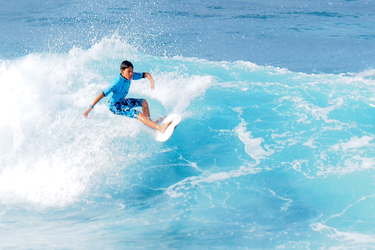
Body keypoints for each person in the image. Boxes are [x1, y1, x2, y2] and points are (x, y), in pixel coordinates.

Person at [83, 60, 171, 133]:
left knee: (143, 102)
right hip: (115, 106)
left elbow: (146, 74)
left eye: (132, 71)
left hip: (122, 101)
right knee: (137, 113)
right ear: (122, 71)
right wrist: (89, 109)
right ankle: (160, 128)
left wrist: (152, 82)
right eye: (129, 71)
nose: (131, 74)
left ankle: (151, 125)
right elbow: (102, 94)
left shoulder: (130, 76)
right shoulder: (116, 83)